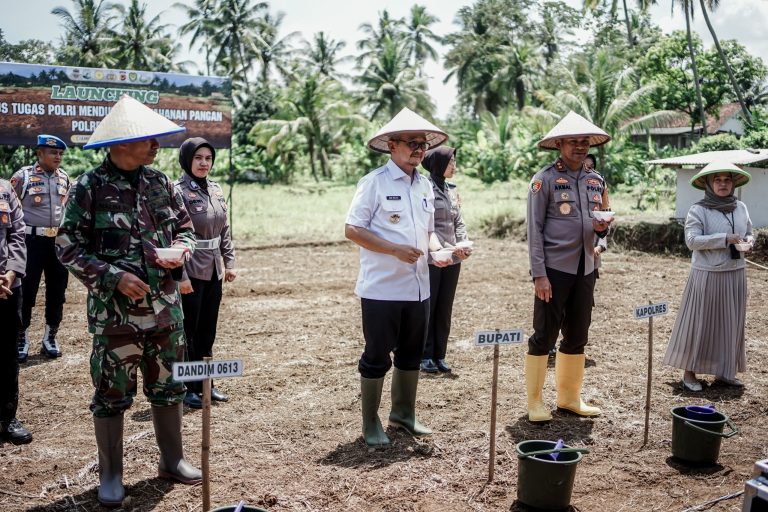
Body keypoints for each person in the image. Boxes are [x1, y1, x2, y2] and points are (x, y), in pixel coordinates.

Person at [56, 95, 201, 508]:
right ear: (121, 144)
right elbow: (67, 245)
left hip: (166, 310)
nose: (156, 146)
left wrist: (181, 249)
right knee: (111, 393)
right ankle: (112, 476)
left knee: (169, 384)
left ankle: (173, 460)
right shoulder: (88, 187)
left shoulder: (160, 182)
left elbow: (186, 229)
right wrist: (113, 277)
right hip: (115, 316)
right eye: (148, 140)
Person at [345, 107, 458, 447]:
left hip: (419, 287)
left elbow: (429, 232)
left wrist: (439, 251)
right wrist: (394, 249)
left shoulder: (424, 185)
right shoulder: (374, 183)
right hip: (382, 289)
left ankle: (403, 414)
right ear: (392, 146)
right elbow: (352, 229)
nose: (419, 149)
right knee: (377, 356)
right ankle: (370, 423)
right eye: (411, 143)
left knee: (411, 355)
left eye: (422, 144)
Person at [525, 111, 612, 422]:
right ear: (559, 144)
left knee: (577, 334)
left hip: (586, 268)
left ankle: (569, 398)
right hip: (554, 270)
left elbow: (603, 220)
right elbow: (534, 230)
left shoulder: (595, 181)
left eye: (584, 141)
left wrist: (603, 232)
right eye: (573, 141)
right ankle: (535, 402)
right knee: (544, 335)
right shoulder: (544, 180)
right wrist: (539, 274)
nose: (580, 146)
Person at [663, 161, 753, 392]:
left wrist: (749, 242)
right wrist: (724, 238)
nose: (723, 184)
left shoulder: (740, 207)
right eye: (718, 180)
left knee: (731, 324)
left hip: (735, 273)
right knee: (699, 323)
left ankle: (725, 371)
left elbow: (749, 232)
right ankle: (689, 373)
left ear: (733, 183)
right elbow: (692, 241)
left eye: (727, 180)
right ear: (709, 184)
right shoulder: (698, 209)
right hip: (708, 274)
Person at [175, 137, 236, 409]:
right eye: (198, 158)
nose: (203, 163)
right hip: (190, 269)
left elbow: (224, 229)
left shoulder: (216, 189)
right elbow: (172, 236)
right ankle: (187, 388)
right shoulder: (176, 191)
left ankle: (205, 384)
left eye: (208, 158)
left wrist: (229, 263)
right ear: (187, 160)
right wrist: (181, 275)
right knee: (189, 330)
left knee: (207, 331)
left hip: (213, 270)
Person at [11, 134, 71, 362]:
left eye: (61, 154)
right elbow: (10, 209)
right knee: (26, 292)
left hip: (57, 244)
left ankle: (50, 337)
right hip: (30, 243)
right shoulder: (22, 177)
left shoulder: (64, 178)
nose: (58, 157)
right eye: (53, 153)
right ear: (40, 154)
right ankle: (21, 337)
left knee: (57, 292)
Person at [420, 146, 471, 374]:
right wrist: (448, 248)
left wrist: (463, 243)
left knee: (444, 308)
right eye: (451, 162)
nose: (454, 166)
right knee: (428, 308)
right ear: (439, 164)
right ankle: (425, 356)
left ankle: (440, 354)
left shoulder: (451, 190)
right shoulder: (424, 188)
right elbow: (427, 226)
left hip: (453, 258)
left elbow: (458, 221)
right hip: (432, 258)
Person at [0, 177, 32, 444]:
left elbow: (17, 234)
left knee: (7, 355)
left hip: (8, 287)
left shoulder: (5, 188)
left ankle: (7, 417)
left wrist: (11, 273)